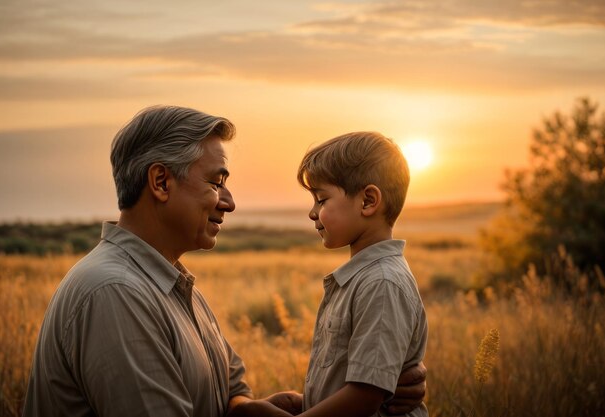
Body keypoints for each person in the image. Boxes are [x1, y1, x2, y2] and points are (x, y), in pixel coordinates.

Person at [23, 107, 426, 417]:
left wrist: (368, 393)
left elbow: (230, 392)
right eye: (217, 183)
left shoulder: (171, 284)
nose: (230, 202)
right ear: (161, 182)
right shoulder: (116, 294)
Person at [230, 132, 428, 417]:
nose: (312, 213)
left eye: (321, 200)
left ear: (368, 201)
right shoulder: (362, 278)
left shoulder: (381, 283)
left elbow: (364, 397)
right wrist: (303, 403)